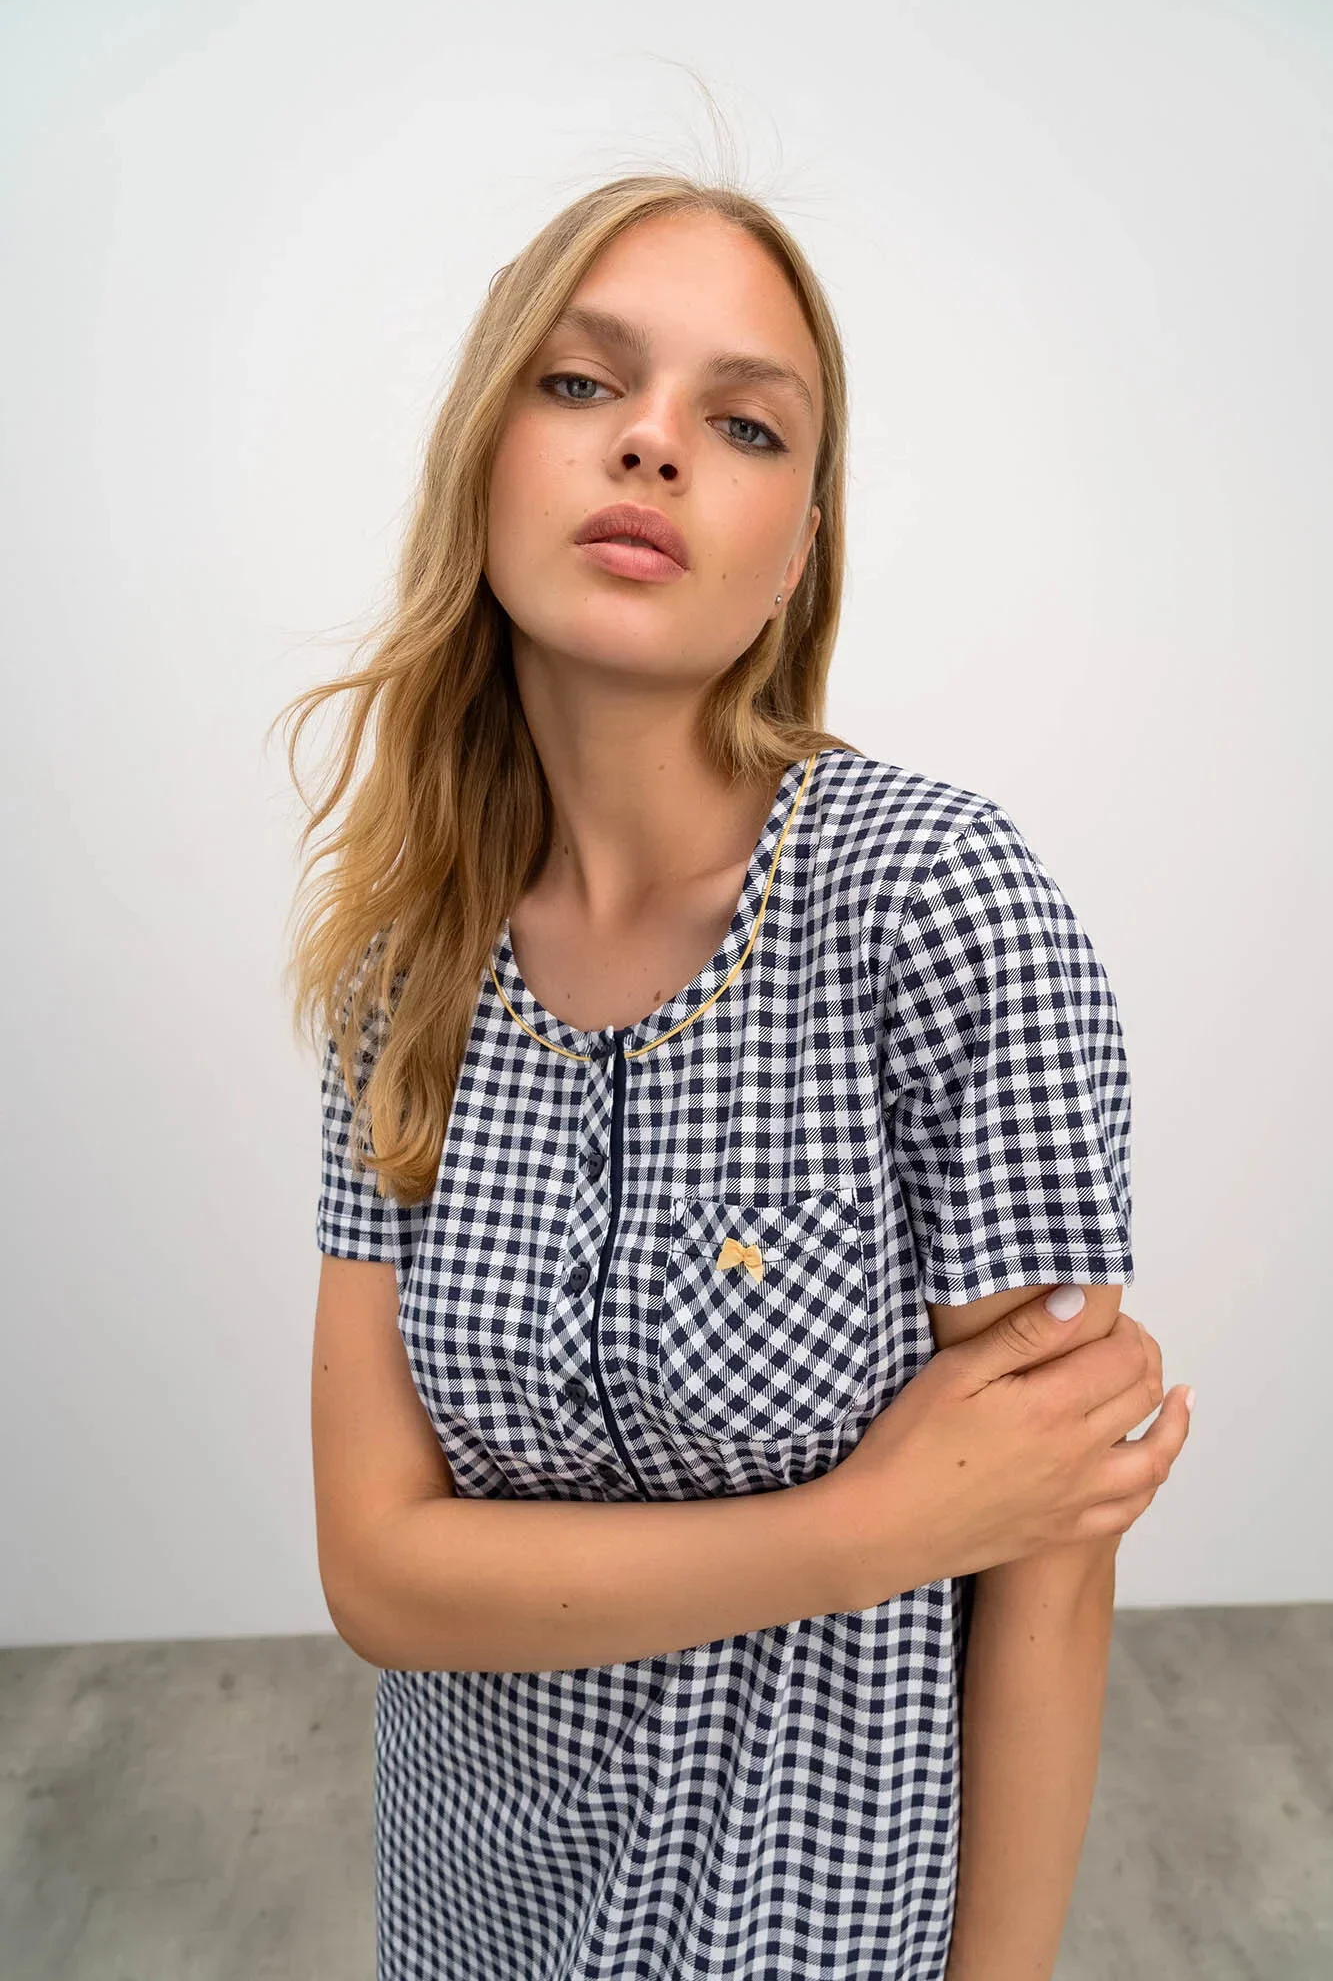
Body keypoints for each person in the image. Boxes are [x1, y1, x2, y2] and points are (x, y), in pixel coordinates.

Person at [277, 174, 1193, 1981]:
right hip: (468, 1919)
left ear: (797, 551)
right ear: (482, 461)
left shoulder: (938, 909)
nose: (652, 444)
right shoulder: (404, 963)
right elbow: (378, 1575)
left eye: (746, 422)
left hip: (818, 1933)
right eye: (580, 383)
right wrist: (869, 1533)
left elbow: (1049, 1554)